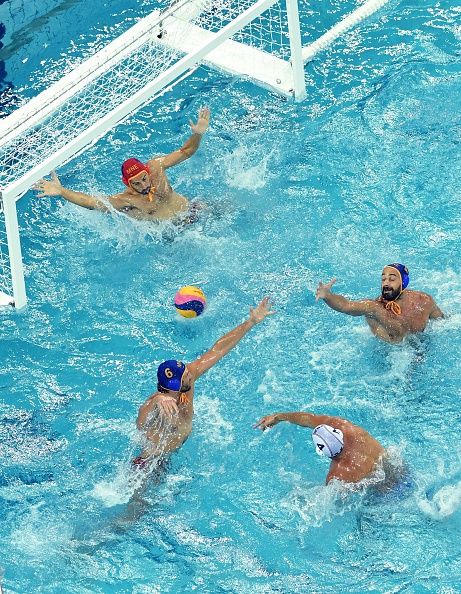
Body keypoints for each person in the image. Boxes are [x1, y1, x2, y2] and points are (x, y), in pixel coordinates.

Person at [134, 297, 275, 467]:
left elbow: (217, 350)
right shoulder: (155, 406)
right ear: (173, 386)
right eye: (185, 376)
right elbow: (141, 423)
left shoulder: (187, 379)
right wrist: (157, 401)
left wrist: (251, 322)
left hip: (178, 451)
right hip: (151, 463)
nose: (190, 375)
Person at [33, 107, 211, 223]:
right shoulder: (125, 201)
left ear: (147, 171)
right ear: (127, 183)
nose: (143, 185)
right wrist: (62, 191)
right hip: (175, 236)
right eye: (137, 183)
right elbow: (90, 202)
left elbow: (186, 152)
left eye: (144, 178)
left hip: (192, 210)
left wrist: (198, 134)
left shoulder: (156, 167)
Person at [254, 411, 402, 486]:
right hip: (400, 471)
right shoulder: (348, 428)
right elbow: (307, 418)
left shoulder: (337, 475)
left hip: (381, 494)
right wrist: (278, 416)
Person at [316, 263, 444, 343]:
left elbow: (441, 322)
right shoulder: (374, 307)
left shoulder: (423, 300)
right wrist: (327, 296)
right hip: (391, 351)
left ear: (403, 283)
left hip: (419, 344)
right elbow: (346, 306)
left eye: (392, 279)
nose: (386, 283)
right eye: (383, 279)